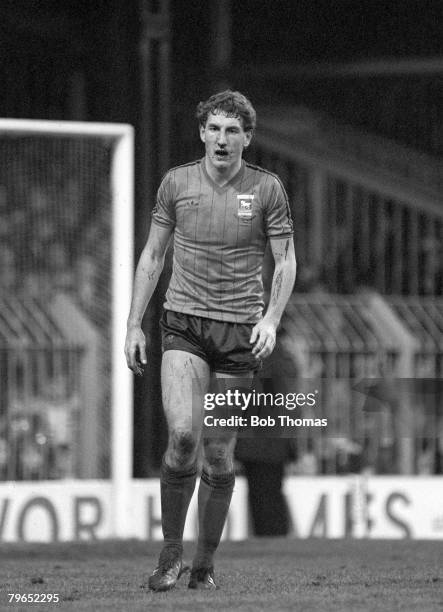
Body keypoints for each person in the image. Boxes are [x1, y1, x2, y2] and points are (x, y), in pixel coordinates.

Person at [125, 90, 296, 591]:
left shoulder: (267, 189)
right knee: (183, 437)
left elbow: (285, 260)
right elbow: (153, 255)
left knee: (219, 455)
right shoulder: (176, 183)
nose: (222, 139)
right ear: (202, 132)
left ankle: (205, 565)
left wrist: (270, 320)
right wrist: (134, 323)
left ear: (247, 138)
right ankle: (170, 555)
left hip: (239, 332)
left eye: (232, 131)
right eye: (214, 128)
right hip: (184, 323)